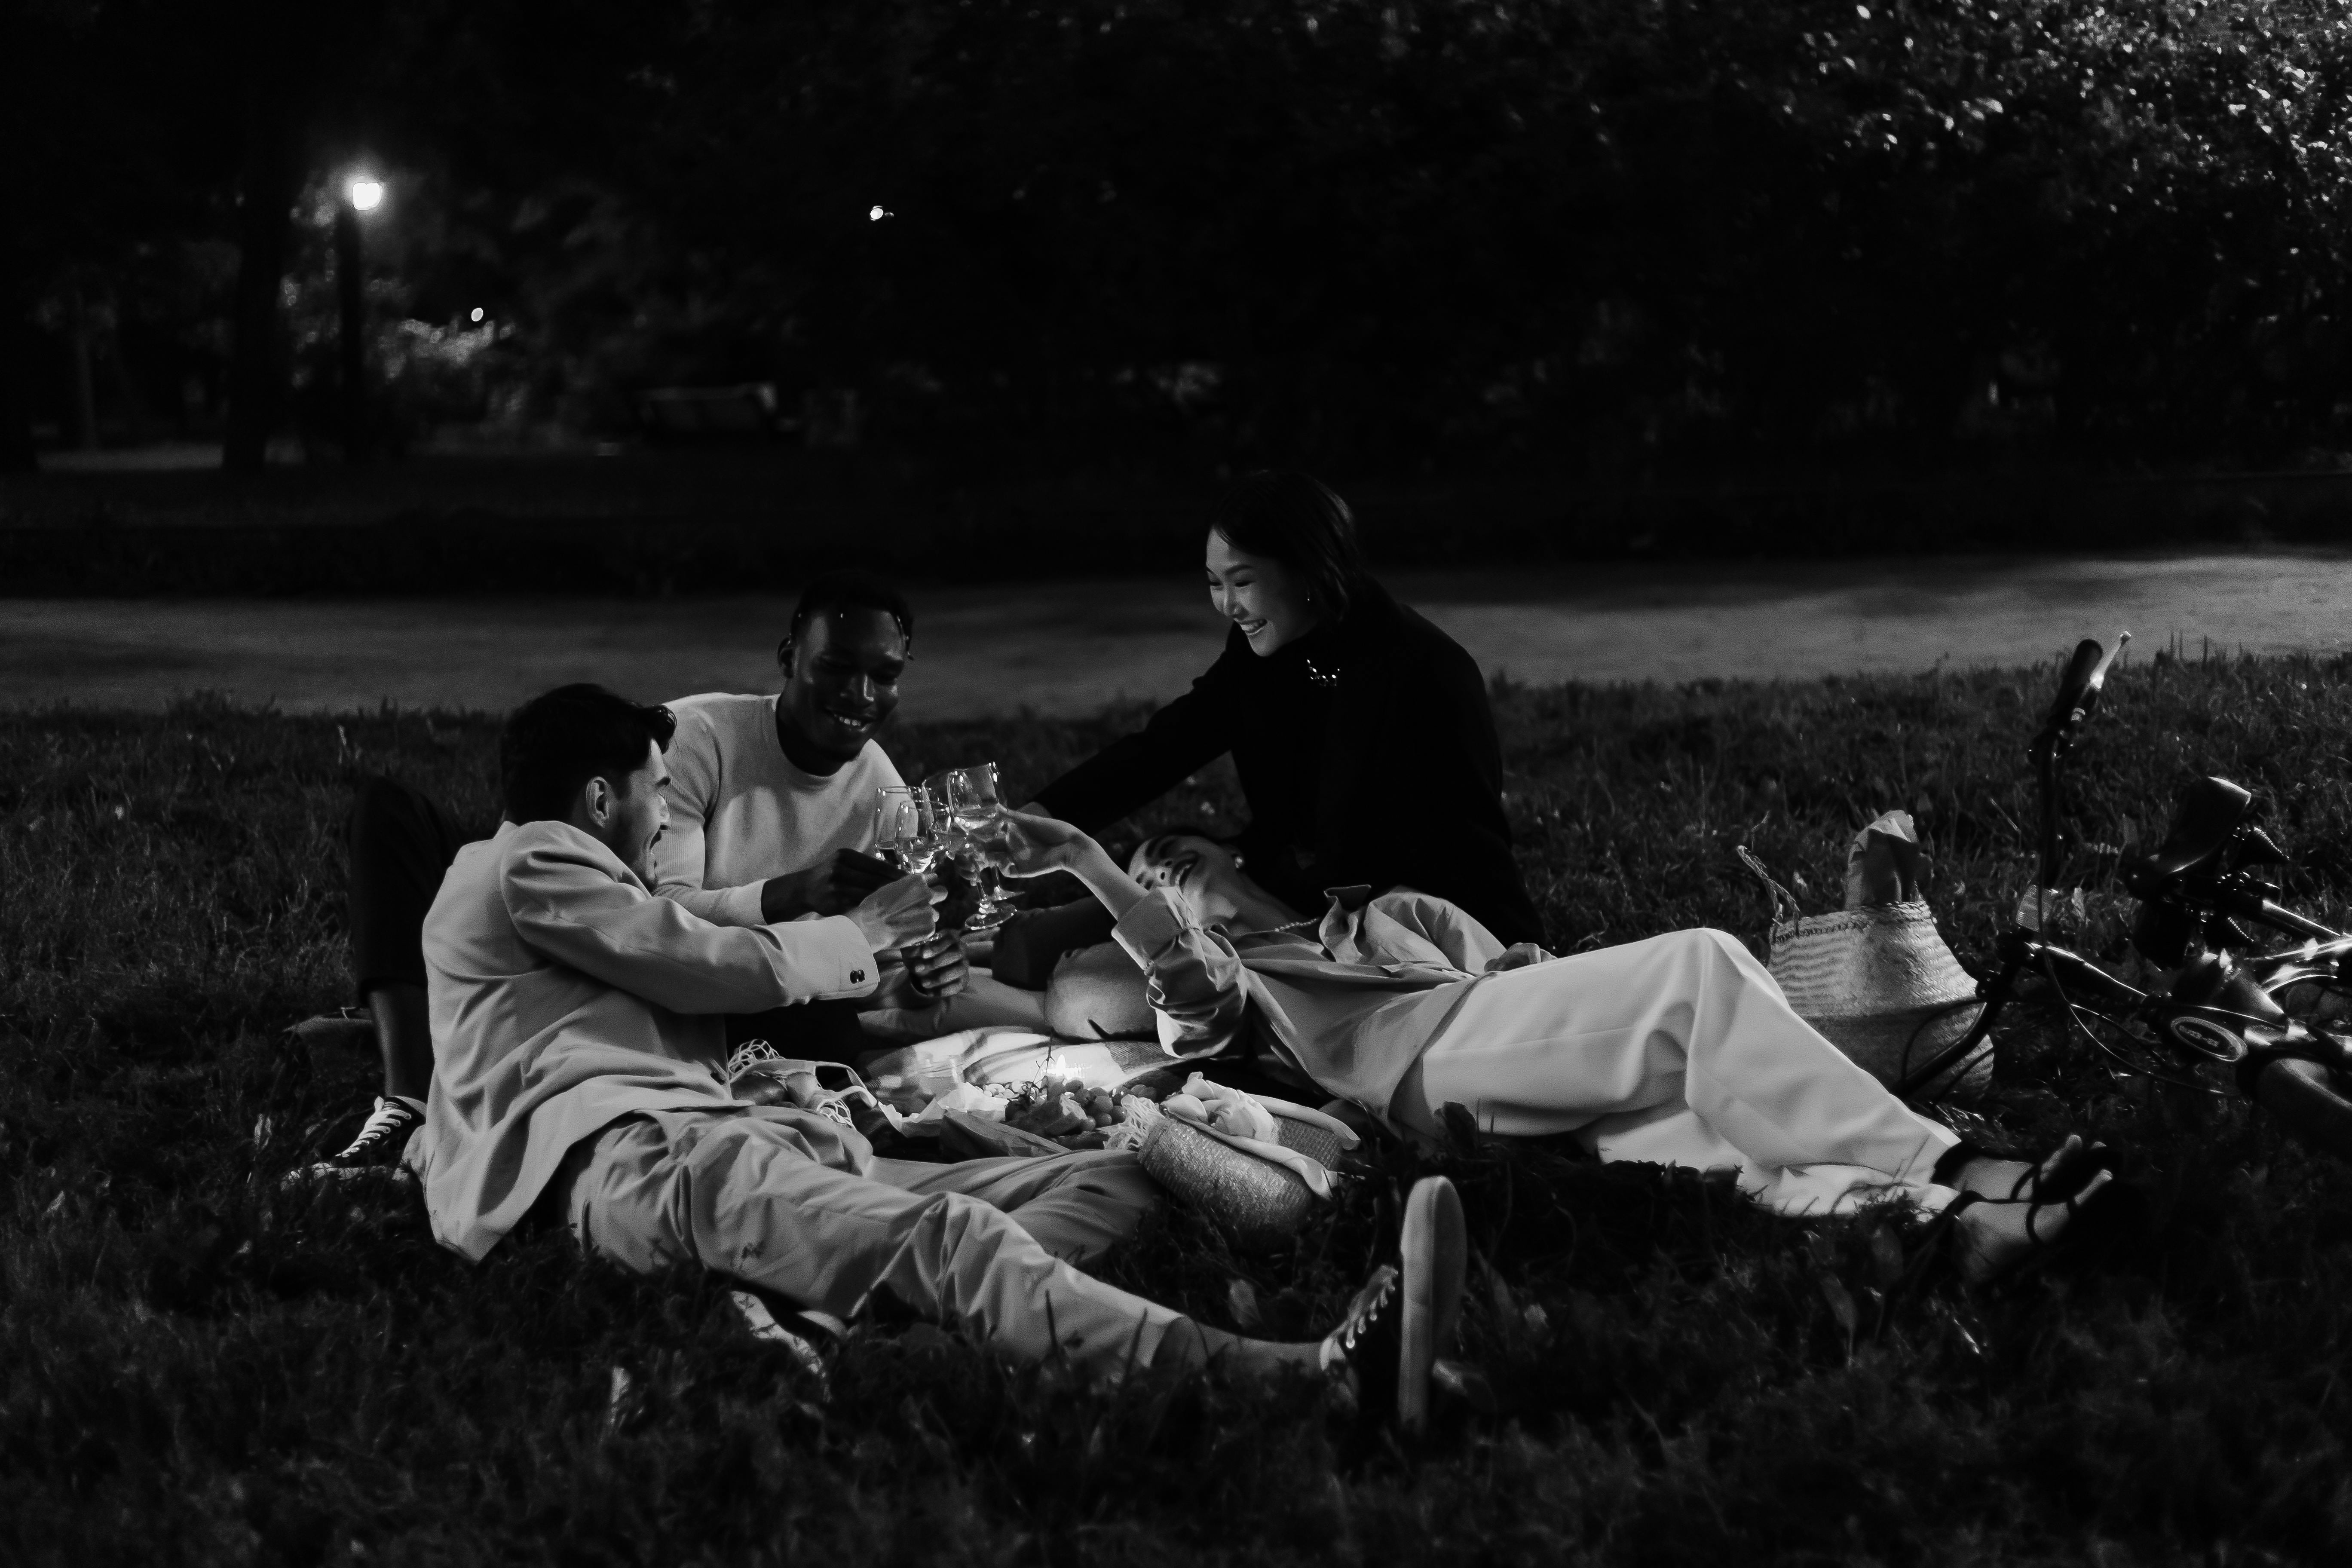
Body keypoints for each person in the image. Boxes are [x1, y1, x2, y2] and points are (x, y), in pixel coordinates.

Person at [410, 683, 1473, 1429]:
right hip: (652, 1164)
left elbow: (692, 954)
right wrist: (870, 932)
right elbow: (697, 962)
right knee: (950, 1233)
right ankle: (1301, 1384)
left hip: (736, 1146)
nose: (659, 825)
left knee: (1113, 1180)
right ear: (601, 798)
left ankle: (891, 1311)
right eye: (654, 791)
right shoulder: (522, 860)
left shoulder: (575, 899)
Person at [997, 815, 2115, 1282]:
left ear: (1230, 855)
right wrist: (1101, 872)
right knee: (1703, 968)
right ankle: (1955, 1165)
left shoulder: (1392, 913)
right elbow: (1176, 998)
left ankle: (1952, 1232)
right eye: (1152, 879)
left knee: (1729, 1139)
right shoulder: (1250, 980)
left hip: (1529, 1061)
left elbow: (1523, 973)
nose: (1171, 876)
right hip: (1417, 1076)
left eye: (1179, 856)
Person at [307, 570, 966, 1179]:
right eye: (837, 667)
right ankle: (408, 1092)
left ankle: (450, 1024)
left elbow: (850, 970)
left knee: (820, 1030)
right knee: (395, 818)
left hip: (701, 978)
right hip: (639, 931)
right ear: (790, 658)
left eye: (885, 675)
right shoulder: (691, 739)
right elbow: (660, 911)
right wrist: (791, 897)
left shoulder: (887, 794)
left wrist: (907, 980)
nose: (860, 694)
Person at [1014, 471, 1541, 972]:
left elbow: (1470, 848)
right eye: (1214, 583)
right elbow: (1165, 747)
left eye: (1242, 582)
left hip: (1372, 938)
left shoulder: (1424, 672)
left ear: (1307, 567)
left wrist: (1505, 958)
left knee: (1090, 988)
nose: (1227, 606)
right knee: (1028, 949)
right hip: (1270, 892)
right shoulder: (1262, 654)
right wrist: (1041, 813)